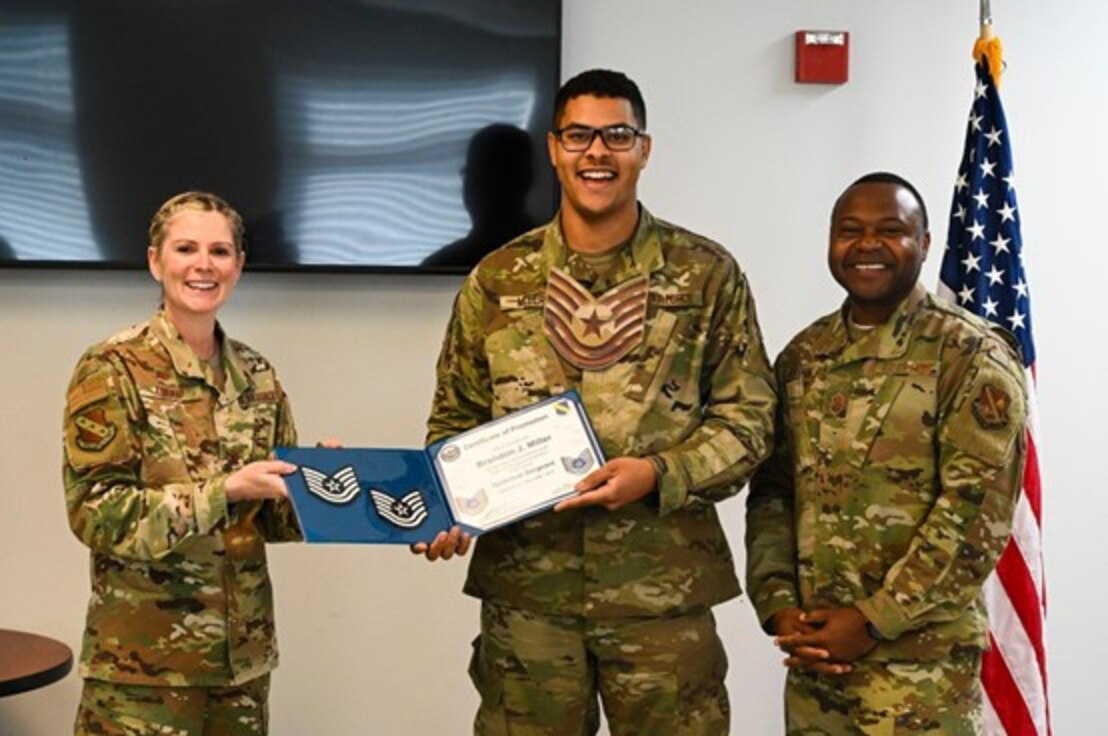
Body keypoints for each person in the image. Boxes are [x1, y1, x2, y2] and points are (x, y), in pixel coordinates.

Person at [419, 68, 776, 735]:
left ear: (644, 148)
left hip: (661, 597)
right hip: (529, 600)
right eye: (579, 135)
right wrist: (449, 504)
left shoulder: (706, 275)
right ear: (553, 149)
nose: (597, 153)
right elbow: (455, 421)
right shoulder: (497, 280)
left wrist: (659, 474)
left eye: (617, 135)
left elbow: (749, 421)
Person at [745, 172, 1028, 734]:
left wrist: (873, 620)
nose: (867, 244)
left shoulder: (968, 354)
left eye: (891, 230)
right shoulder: (804, 355)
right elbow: (773, 490)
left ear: (924, 245)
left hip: (920, 671)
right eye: (849, 230)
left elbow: (975, 514)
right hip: (817, 667)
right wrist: (779, 605)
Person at [64, 191, 303, 734]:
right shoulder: (111, 367)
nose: (204, 265)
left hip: (241, 667)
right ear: (155, 260)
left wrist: (322, 486)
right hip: (142, 672)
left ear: (238, 266)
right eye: (186, 248)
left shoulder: (257, 374)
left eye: (220, 251)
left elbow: (271, 515)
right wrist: (225, 491)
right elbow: (96, 513)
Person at [422, 123, 538, 268]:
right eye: (475, 174)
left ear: (524, 180)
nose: (480, 186)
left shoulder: (442, 265)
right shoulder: (439, 266)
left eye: (494, 175)